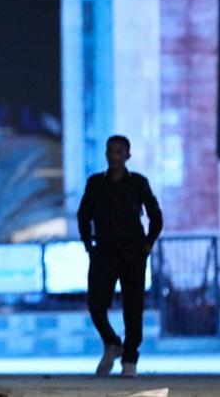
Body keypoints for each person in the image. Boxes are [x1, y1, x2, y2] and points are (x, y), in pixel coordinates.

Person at [77, 135, 163, 378]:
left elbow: (156, 217)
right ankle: (112, 343)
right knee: (96, 305)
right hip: (103, 252)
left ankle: (130, 360)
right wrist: (88, 245)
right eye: (110, 151)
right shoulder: (95, 184)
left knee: (133, 308)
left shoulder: (138, 183)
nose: (113, 156)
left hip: (133, 253)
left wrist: (147, 245)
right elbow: (83, 215)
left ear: (127, 156)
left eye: (118, 152)